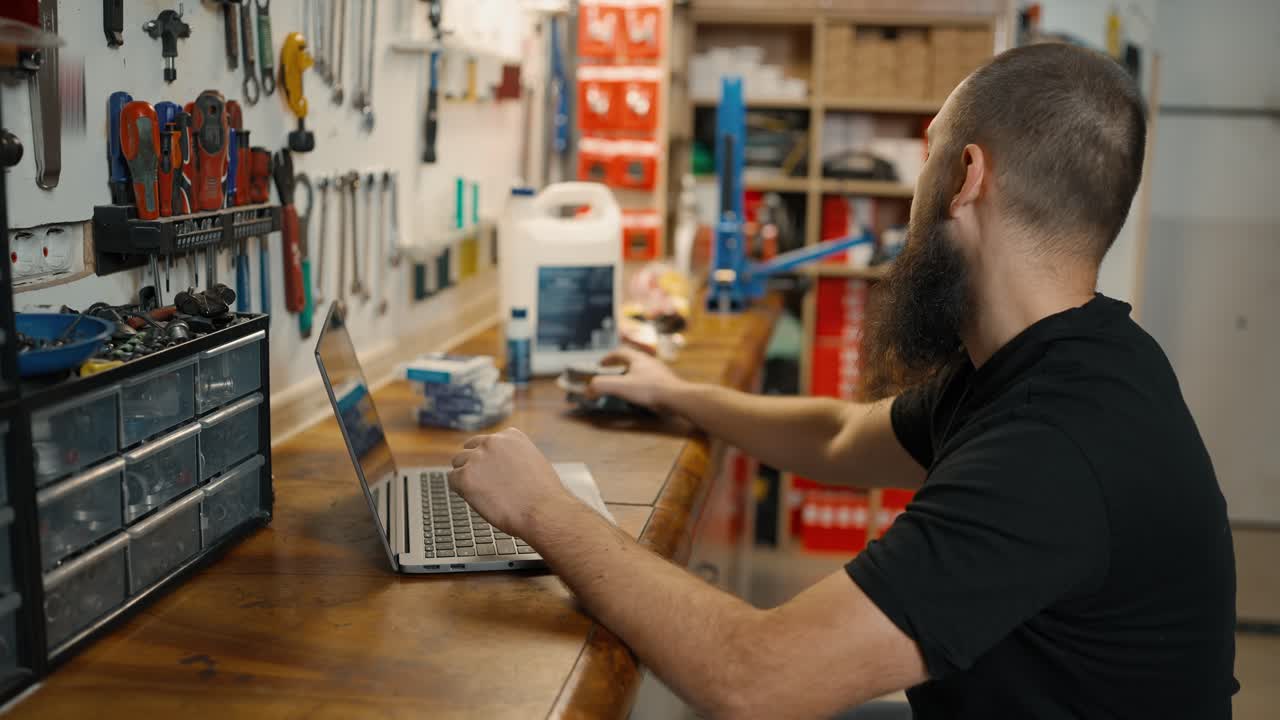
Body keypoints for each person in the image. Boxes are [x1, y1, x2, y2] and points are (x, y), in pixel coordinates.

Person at [449, 43, 1238, 719]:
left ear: (966, 178)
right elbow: (840, 434)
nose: (911, 202)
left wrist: (542, 508)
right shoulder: (1054, 361)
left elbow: (754, 678)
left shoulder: (1055, 444)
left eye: (927, 161)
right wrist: (675, 393)